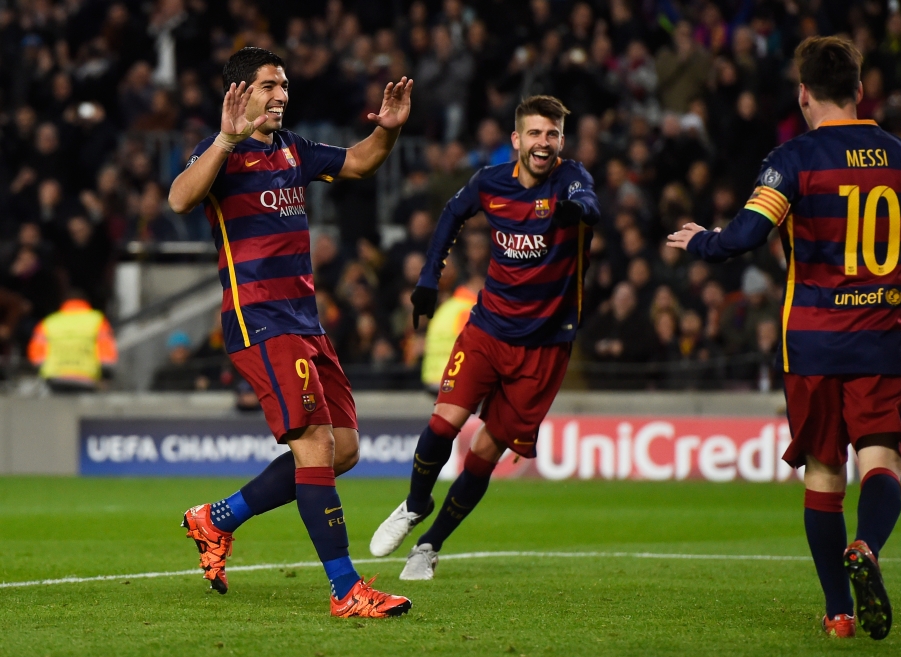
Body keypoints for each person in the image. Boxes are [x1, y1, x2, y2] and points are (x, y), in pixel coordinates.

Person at [667, 36, 901, 641]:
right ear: (860, 91)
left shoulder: (792, 159)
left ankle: (839, 613)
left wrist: (702, 240)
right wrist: (883, 287)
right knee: (882, 460)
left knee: (823, 473)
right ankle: (867, 546)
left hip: (813, 343)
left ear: (803, 93)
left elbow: (745, 235)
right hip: (885, 339)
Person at [166, 47, 414, 619]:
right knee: (315, 445)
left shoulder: (292, 149)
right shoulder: (220, 151)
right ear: (240, 93)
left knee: (343, 449)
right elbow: (179, 198)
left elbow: (359, 161)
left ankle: (215, 519)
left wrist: (391, 132)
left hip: (305, 321)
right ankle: (347, 590)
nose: (281, 94)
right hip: (261, 320)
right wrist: (226, 141)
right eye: (269, 85)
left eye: (284, 86)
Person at [369, 95, 600, 580]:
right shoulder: (490, 183)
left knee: (486, 451)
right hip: (488, 328)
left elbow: (588, 203)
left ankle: (428, 547)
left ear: (561, 140)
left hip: (544, 346)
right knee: (443, 422)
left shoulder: (571, 178)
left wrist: (573, 213)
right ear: (516, 140)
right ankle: (414, 504)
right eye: (535, 133)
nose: (544, 143)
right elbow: (451, 215)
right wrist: (429, 280)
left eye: (553, 134)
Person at [27, 289, 117, 392]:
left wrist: (43, 371)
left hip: (55, 378)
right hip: (86, 379)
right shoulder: (98, 321)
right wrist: (106, 376)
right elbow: (106, 356)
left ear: (64, 303)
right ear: (86, 302)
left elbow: (37, 356)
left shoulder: (49, 322)